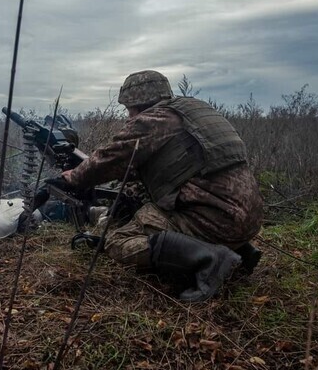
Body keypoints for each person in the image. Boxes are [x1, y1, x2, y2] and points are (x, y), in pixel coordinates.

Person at [60, 70, 264, 301]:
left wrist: (74, 176)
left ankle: (212, 258)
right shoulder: (192, 111)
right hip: (247, 217)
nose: (129, 117)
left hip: (215, 219)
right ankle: (238, 249)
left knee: (118, 242)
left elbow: (111, 158)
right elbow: (176, 165)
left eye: (129, 110)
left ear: (138, 104)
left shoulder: (154, 120)